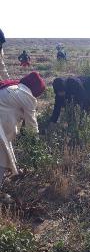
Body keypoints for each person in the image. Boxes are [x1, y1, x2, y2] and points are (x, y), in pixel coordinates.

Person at [0, 72, 45, 200]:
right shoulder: (27, 96)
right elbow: (32, 124)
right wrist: (35, 146)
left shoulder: (12, 86)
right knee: (2, 156)